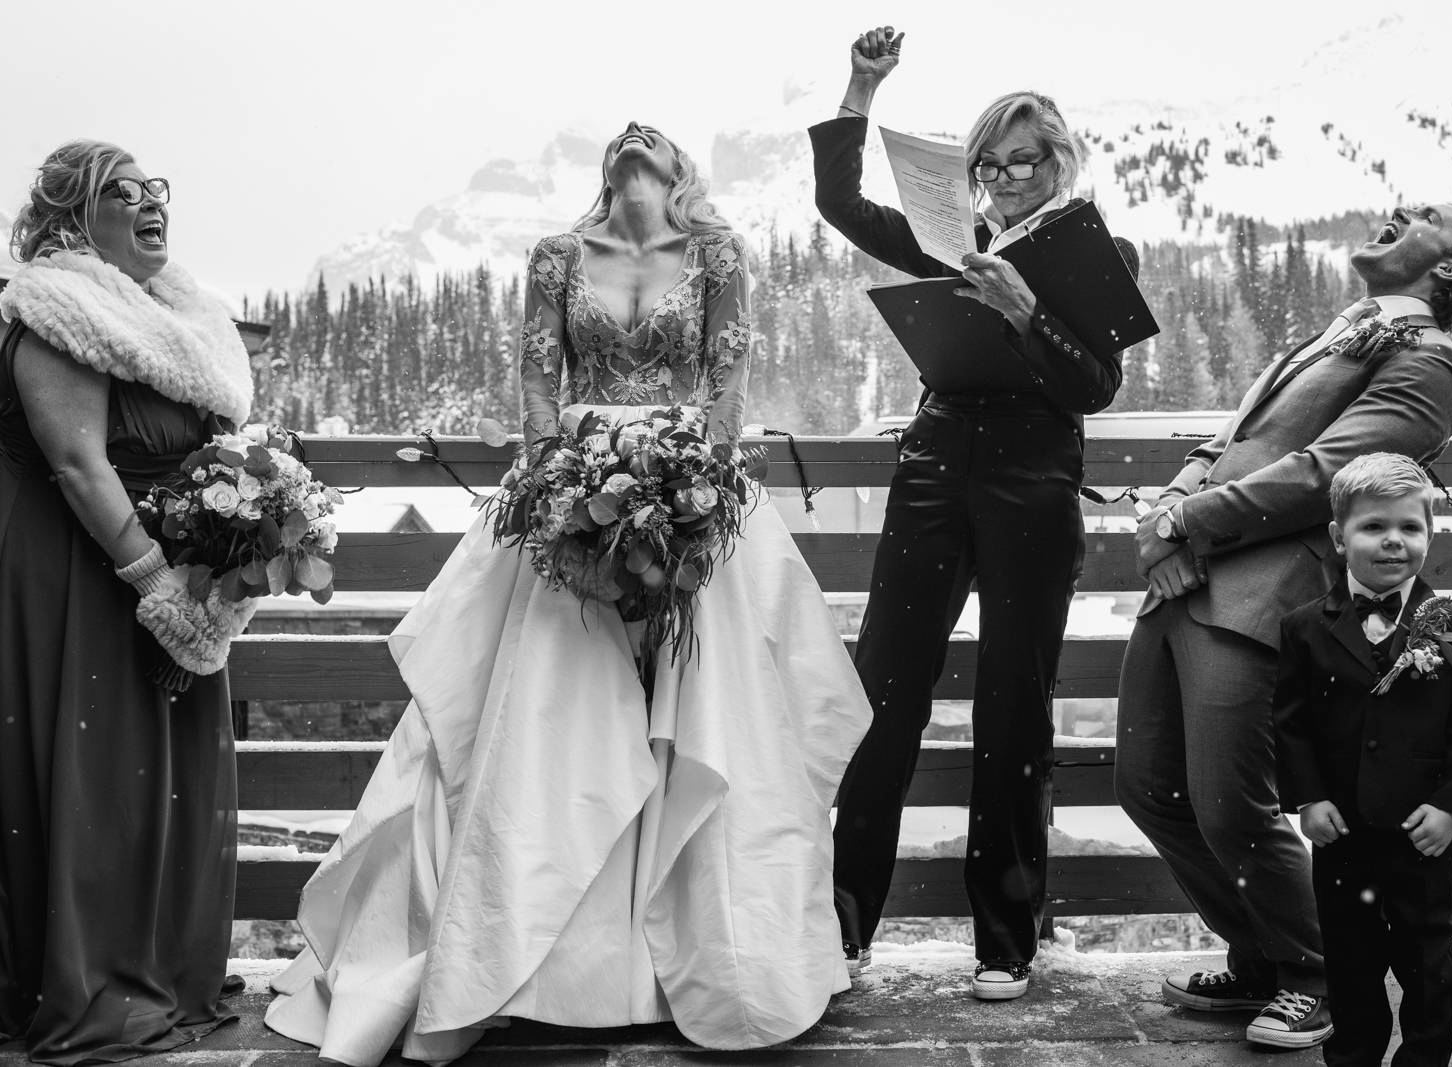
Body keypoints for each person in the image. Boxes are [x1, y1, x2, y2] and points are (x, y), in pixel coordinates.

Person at [264, 122, 872, 1063]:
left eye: (657, 136)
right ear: (607, 172)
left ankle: (708, 963)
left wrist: (692, 502)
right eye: (622, 137)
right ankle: (524, 960)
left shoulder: (719, 254)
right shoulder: (554, 257)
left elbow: (725, 387)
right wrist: (558, 501)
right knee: (539, 718)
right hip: (567, 496)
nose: (636, 135)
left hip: (692, 490)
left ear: (680, 172)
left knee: (710, 719)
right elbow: (536, 387)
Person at [1114, 203, 1452, 1048]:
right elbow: (1238, 436)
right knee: (1150, 789)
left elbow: (1324, 475)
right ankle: (1261, 952)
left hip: (1256, 592)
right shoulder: (1342, 332)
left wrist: (1187, 526)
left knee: (1231, 806)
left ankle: (1315, 970)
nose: (1398, 211)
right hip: (1184, 578)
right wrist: (1172, 507)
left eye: (1426, 216)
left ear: (1449, 270)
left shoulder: (1431, 362)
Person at [811, 26, 1135, 1001]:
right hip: (935, 463)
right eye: (985, 164)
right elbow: (837, 201)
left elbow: (1095, 387)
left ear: (1058, 162)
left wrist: (1024, 309)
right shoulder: (949, 236)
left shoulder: (1095, 249)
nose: (998, 178)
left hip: (1034, 479)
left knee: (1011, 703)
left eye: (1018, 162)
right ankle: (844, 921)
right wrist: (860, 88)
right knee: (883, 694)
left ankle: (1004, 937)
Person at [0, 141, 254, 1063]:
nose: (151, 202)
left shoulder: (171, 313)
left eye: (157, 189)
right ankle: (94, 974)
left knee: (168, 766)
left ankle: (162, 960)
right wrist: (155, 582)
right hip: (85, 575)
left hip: (172, 578)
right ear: (74, 216)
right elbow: (77, 462)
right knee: (99, 767)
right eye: (124, 191)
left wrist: (242, 539)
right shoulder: (58, 307)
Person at [1273, 452, 1452, 1066]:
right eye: (1374, 527)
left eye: (1410, 527)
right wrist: (1308, 797)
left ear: (1428, 534)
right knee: (1349, 961)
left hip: (1418, 834)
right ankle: (1353, 1058)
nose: (1393, 541)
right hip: (1341, 835)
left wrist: (1449, 807)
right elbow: (1291, 725)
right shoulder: (1303, 629)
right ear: (1338, 538)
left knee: (1429, 963)